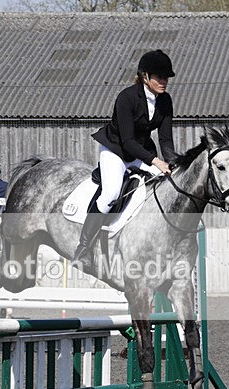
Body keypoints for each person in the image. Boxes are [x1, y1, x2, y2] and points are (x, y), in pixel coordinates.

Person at [73, 49, 179, 272]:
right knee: (110, 193)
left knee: (164, 185)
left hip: (140, 152)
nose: (164, 81)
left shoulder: (165, 101)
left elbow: (165, 139)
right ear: (145, 77)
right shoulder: (127, 97)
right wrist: (155, 161)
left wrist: (172, 163)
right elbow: (128, 141)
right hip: (116, 150)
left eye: (166, 77)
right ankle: (83, 249)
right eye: (159, 77)